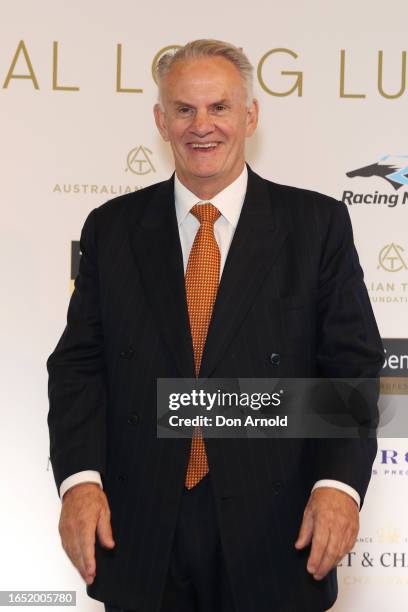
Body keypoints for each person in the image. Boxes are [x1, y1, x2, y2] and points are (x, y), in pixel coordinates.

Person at [47, 39, 384, 612]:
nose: (202, 126)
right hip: (142, 530)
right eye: (184, 110)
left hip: (278, 530)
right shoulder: (111, 229)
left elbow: (349, 364)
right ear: (161, 120)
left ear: (250, 115)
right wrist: (79, 481)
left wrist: (337, 486)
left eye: (219, 108)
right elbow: (78, 365)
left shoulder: (316, 224)